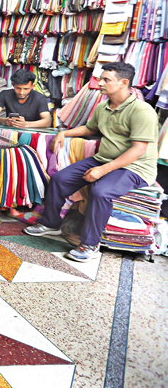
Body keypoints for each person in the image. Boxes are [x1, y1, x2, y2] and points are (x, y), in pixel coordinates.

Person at [25, 62, 159, 262]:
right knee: (59, 179)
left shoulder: (141, 111)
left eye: (106, 80)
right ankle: (51, 224)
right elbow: (89, 129)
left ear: (123, 83)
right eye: (101, 78)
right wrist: (64, 133)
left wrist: (102, 170)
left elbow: (138, 150)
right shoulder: (103, 106)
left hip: (135, 167)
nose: (100, 83)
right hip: (103, 159)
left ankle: (90, 243)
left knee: (100, 191)